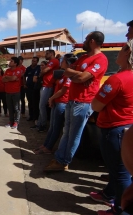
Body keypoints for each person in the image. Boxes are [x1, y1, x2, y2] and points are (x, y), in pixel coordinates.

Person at [44, 31, 108, 172]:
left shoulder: (101, 59)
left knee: (74, 134)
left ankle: (62, 161)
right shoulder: (83, 57)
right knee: (66, 132)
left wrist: (79, 76)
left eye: (86, 39)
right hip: (72, 100)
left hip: (84, 102)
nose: (83, 41)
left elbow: (78, 77)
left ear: (92, 41)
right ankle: (60, 158)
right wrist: (79, 76)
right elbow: (67, 71)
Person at [89, 39, 133, 215]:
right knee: (119, 169)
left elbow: (96, 105)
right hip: (127, 126)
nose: (119, 52)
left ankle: (120, 211)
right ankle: (109, 193)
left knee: (120, 172)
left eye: (123, 49)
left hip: (115, 129)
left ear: (129, 55)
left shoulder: (118, 79)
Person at [33, 69, 71, 154]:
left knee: (56, 127)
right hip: (56, 102)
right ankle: (45, 145)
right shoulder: (62, 75)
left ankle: (49, 147)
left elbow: (63, 90)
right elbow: (57, 88)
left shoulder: (68, 77)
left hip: (62, 103)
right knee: (52, 126)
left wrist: (51, 98)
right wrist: (52, 99)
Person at [37, 49, 60, 132]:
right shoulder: (52, 61)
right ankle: (39, 124)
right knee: (41, 106)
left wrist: (42, 72)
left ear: (51, 54)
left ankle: (43, 124)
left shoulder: (53, 61)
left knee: (42, 106)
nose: (45, 55)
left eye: (47, 54)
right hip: (45, 85)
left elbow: (44, 70)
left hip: (48, 85)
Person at [2, 57, 22, 129]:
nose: (9, 62)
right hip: (8, 92)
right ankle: (11, 121)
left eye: (11, 61)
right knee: (10, 108)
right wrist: (10, 78)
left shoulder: (18, 70)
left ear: (15, 63)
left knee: (16, 108)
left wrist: (8, 78)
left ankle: (16, 122)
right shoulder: (7, 70)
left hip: (15, 92)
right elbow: (3, 80)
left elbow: (13, 78)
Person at [23, 57, 40, 122]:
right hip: (28, 88)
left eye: (34, 61)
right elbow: (24, 76)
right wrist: (24, 84)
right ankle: (31, 116)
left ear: (37, 62)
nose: (33, 62)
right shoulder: (28, 68)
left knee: (35, 103)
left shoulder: (38, 68)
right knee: (30, 102)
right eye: (32, 61)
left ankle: (36, 117)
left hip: (35, 88)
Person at [30, 60, 47, 128]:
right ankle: (37, 121)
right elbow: (34, 79)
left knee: (41, 106)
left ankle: (43, 123)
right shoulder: (38, 71)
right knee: (36, 105)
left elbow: (40, 80)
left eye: (43, 65)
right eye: (41, 65)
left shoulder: (46, 73)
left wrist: (39, 79)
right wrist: (39, 79)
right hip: (36, 89)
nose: (41, 66)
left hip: (42, 89)